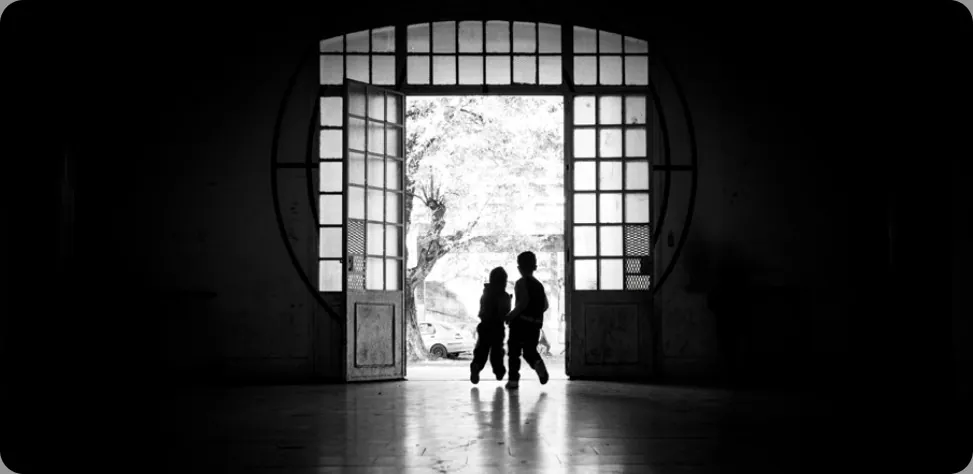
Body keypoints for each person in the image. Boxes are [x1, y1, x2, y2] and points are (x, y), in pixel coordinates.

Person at [502, 251, 550, 389]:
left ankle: (513, 380)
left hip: (520, 324)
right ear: (534, 267)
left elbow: (522, 303)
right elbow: (545, 306)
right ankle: (539, 366)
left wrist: (511, 315)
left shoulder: (521, 283)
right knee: (529, 351)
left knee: (514, 352)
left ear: (519, 268)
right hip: (535, 325)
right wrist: (535, 314)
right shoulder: (539, 285)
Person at [470, 267, 512, 384]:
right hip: (497, 327)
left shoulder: (486, 294)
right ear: (503, 281)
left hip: (484, 326)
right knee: (497, 352)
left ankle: (476, 366)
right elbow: (505, 313)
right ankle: (499, 371)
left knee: (481, 350)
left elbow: (483, 309)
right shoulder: (504, 296)